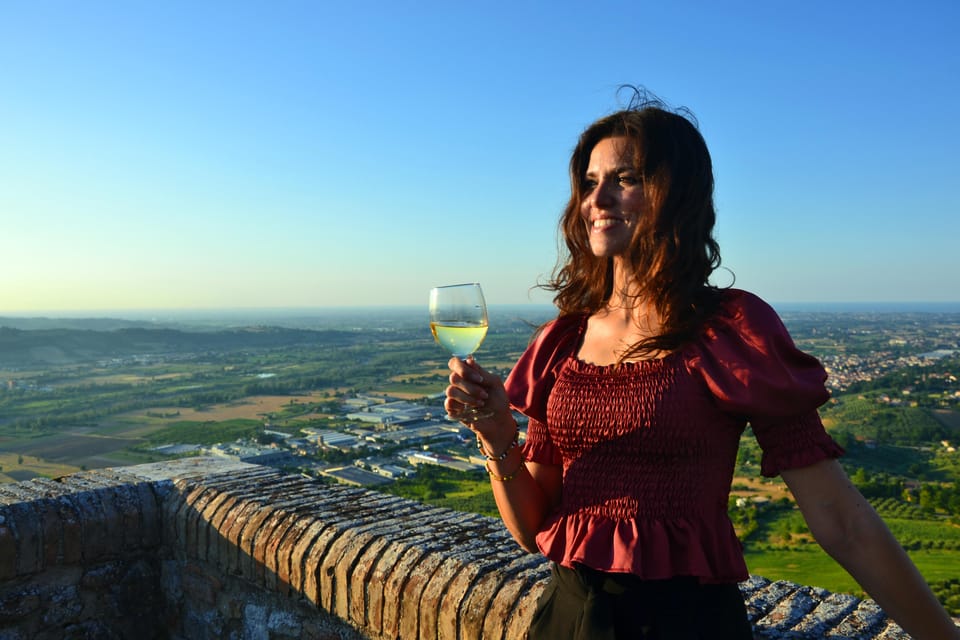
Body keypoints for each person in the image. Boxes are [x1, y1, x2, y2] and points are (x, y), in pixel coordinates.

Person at [443, 88, 960, 639]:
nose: (598, 199)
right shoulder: (562, 341)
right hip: (567, 615)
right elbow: (534, 528)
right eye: (590, 183)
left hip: (684, 622)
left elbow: (841, 519)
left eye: (626, 178)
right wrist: (497, 432)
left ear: (677, 194)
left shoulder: (728, 331)